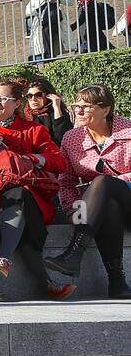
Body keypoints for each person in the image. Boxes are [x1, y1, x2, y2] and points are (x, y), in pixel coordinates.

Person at [0, 76, 71, 299]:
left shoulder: (34, 130)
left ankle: (4, 258)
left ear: (16, 103)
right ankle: (45, 283)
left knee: (19, 194)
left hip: (32, 199)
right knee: (20, 218)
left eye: (3, 99)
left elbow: (59, 162)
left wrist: (30, 158)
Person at [46, 84, 131, 298]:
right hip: (100, 208)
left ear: (106, 109)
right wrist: (72, 208)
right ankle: (117, 282)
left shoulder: (129, 132)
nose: (78, 111)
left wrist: (106, 183)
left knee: (103, 183)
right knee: (108, 206)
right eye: (76, 106)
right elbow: (65, 181)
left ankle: (73, 254)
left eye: (86, 106)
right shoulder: (71, 138)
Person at [25, 77, 72, 145]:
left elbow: (62, 138)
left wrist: (57, 108)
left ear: (49, 96)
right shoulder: (24, 114)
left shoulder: (56, 113)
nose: (33, 99)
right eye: (29, 96)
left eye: (38, 95)